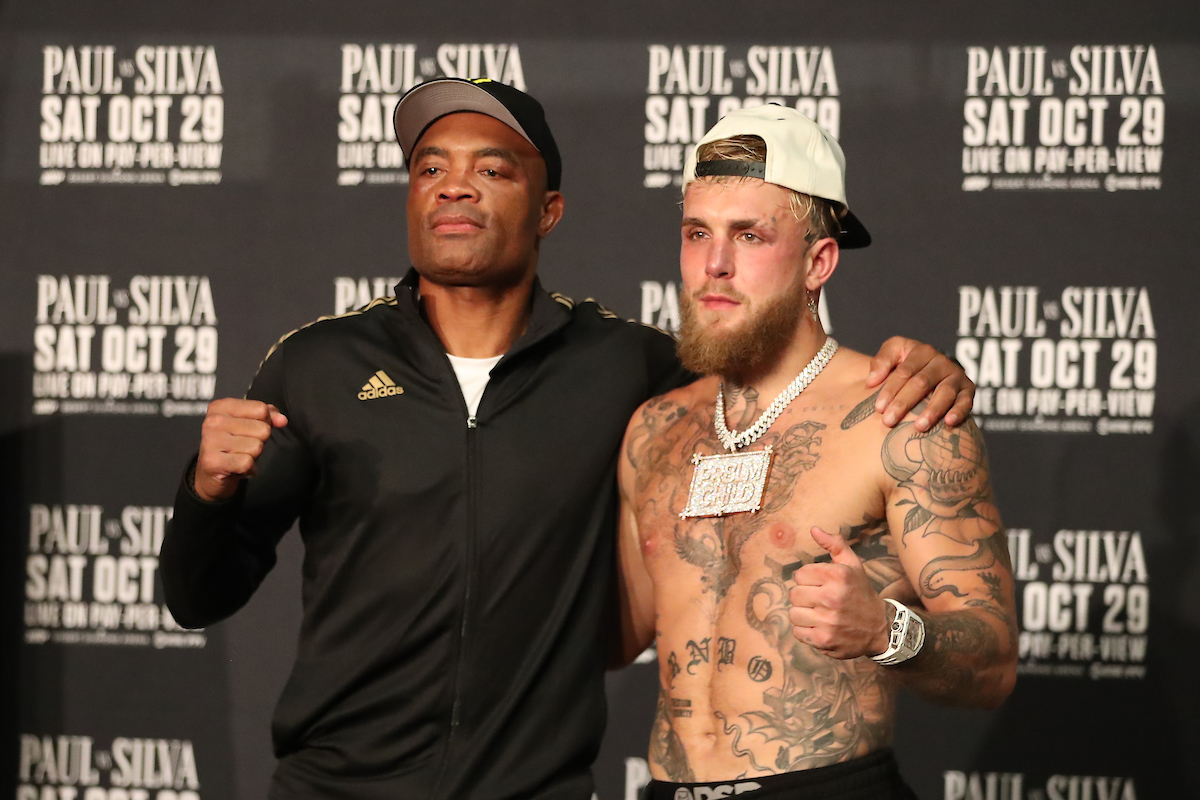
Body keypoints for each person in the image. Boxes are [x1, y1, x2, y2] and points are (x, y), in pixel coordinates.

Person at [160, 79, 977, 800]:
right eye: (431, 167)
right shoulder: (316, 366)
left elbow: (776, 372)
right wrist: (205, 488)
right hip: (332, 788)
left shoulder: (631, 369)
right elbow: (198, 597)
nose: (454, 188)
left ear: (549, 209)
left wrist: (923, 370)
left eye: (492, 169)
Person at [616, 105, 1017, 800]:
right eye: (697, 233)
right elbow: (615, 636)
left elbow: (992, 665)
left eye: (750, 235)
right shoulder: (654, 430)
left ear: (818, 261)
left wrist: (889, 630)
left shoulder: (899, 416)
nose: (714, 264)